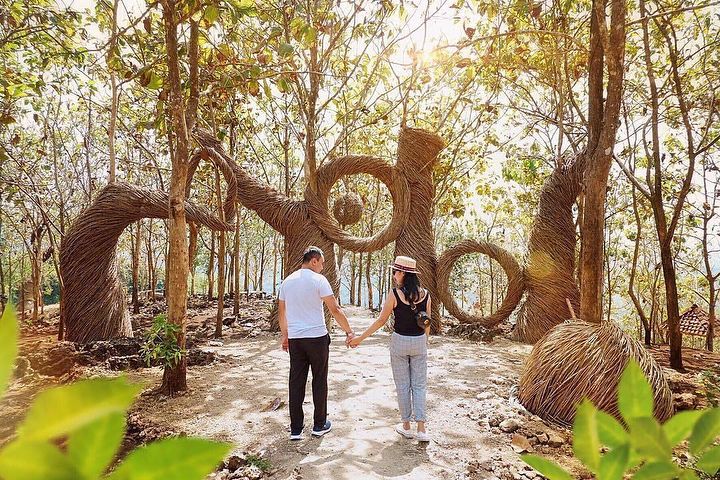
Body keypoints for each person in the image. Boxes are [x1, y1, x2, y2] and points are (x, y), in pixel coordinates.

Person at [349, 255, 431, 442]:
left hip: (399, 342)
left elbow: (381, 321)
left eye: (395, 271)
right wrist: (423, 342)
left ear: (402, 273)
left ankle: (406, 426)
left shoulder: (395, 295)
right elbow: (427, 322)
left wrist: (360, 338)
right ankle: (421, 429)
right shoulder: (426, 294)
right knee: (419, 385)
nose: (394, 275)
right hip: (419, 342)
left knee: (403, 385)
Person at [278, 246, 355, 441]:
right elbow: (335, 309)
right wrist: (348, 331)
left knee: (296, 382)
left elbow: (282, 313)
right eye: (321, 262)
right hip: (317, 338)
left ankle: (296, 429)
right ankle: (319, 425)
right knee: (319, 379)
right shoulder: (319, 280)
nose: (322, 266)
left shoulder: (287, 282)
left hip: (295, 339)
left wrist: (285, 335)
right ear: (313, 260)